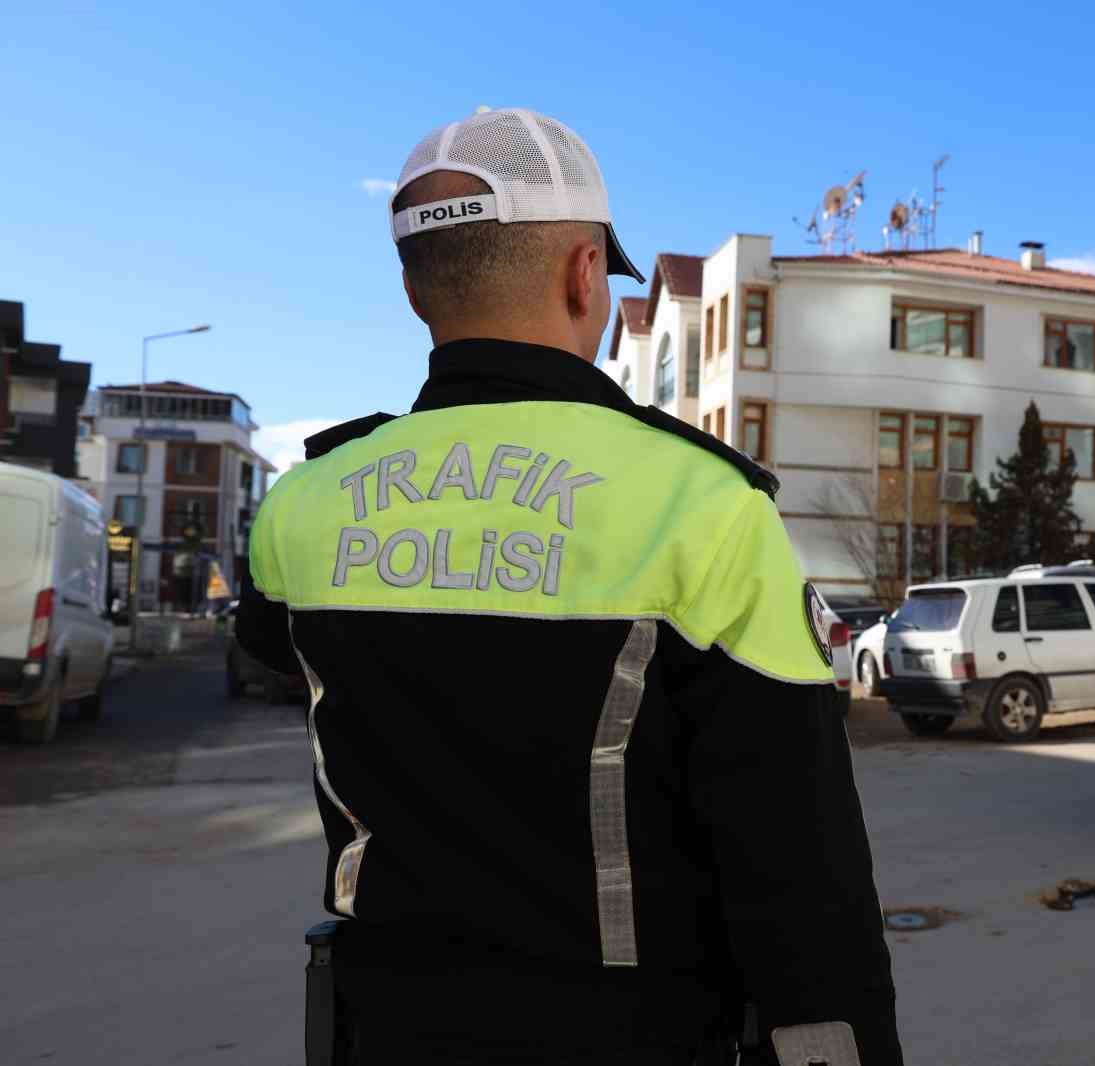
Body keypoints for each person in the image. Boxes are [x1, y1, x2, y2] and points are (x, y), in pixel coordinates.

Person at [235, 108, 901, 1065]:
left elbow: (273, 649)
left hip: (383, 1033)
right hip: (636, 1040)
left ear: (416, 291)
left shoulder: (304, 504)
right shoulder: (700, 504)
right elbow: (797, 862)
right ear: (585, 273)